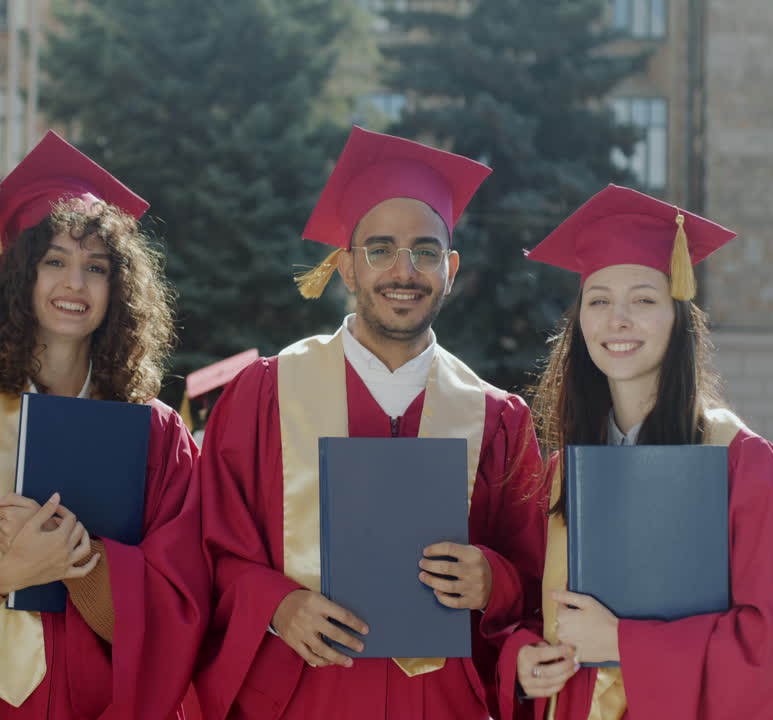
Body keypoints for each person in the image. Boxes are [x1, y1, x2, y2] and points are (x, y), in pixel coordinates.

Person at [193, 126, 547, 720]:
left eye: (426, 252)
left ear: (451, 269)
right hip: (300, 699)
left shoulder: (497, 419)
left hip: (440, 705)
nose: (403, 271)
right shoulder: (267, 394)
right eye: (379, 249)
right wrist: (277, 606)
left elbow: (538, 578)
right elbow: (205, 549)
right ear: (347, 268)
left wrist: (494, 581)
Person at [0, 131, 207, 719]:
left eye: (96, 267)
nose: (75, 284)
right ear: (20, 276)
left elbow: (185, 596)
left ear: (118, 289)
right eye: (54, 261)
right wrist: (6, 574)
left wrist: (86, 566)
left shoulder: (155, 435)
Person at [501, 184, 773, 720]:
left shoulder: (740, 461)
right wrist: (522, 661)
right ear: (581, 325)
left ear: (678, 318)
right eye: (598, 301)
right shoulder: (564, 474)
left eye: (643, 299)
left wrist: (622, 643)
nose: (618, 320)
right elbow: (524, 609)